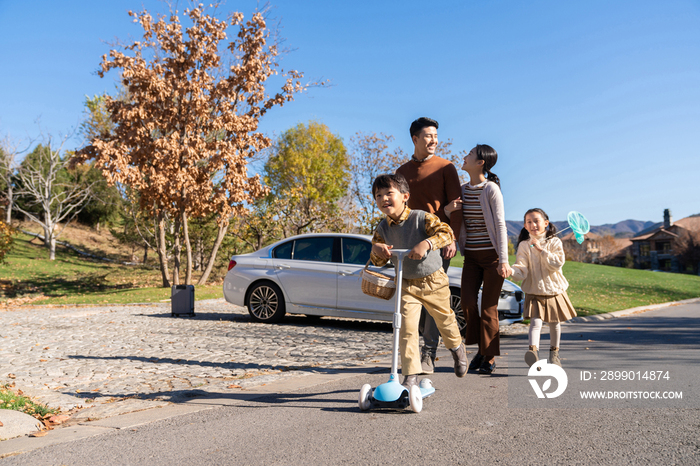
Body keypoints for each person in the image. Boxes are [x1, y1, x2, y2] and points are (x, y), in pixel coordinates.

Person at [369, 173, 467, 388]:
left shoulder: (422, 217)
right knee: (406, 329)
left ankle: (457, 348)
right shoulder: (382, 228)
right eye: (378, 195)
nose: (383, 198)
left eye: (389, 193)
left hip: (433, 280)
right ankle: (410, 375)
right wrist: (377, 249)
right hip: (406, 283)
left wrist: (426, 244)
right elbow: (376, 261)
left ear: (405, 196)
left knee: (445, 320)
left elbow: (446, 233)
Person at [395, 117, 462, 375]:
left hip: (437, 243)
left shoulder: (446, 168)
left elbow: (456, 206)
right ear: (415, 139)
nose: (433, 140)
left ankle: (429, 354)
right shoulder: (402, 172)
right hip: (408, 245)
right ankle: (412, 356)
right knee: (412, 301)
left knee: (434, 299)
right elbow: (399, 209)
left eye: (435, 135)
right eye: (428, 136)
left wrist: (452, 238)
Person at [444, 144, 511, 375]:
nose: (465, 156)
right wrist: (446, 209)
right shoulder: (462, 190)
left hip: (492, 258)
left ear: (480, 162)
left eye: (470, 154)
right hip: (471, 257)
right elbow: (450, 217)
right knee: (467, 303)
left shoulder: (491, 189)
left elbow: (501, 225)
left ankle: (489, 357)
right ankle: (481, 348)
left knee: (489, 308)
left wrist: (504, 260)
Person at [509, 208, 577, 367]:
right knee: (535, 323)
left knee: (554, 323)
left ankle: (554, 354)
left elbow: (557, 263)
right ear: (525, 226)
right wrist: (512, 271)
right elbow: (522, 268)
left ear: (546, 223)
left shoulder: (554, 242)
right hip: (534, 289)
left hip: (554, 289)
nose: (533, 225)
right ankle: (533, 352)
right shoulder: (524, 245)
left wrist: (540, 249)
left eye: (536, 221)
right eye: (529, 222)